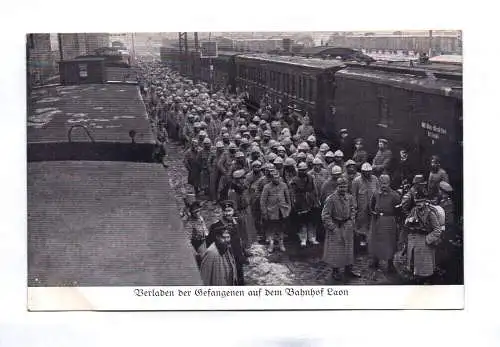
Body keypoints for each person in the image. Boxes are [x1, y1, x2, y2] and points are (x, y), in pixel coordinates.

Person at [321, 177, 360, 282]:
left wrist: (351, 221)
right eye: (340, 186)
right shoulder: (331, 199)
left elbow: (353, 209)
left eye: (345, 186)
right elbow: (325, 215)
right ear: (337, 187)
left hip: (347, 225)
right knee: (336, 250)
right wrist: (332, 227)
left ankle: (348, 268)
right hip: (336, 226)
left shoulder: (350, 197)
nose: (343, 188)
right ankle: (335, 271)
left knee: (348, 248)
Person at [402, 188, 442, 284]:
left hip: (425, 240)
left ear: (425, 201)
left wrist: (428, 240)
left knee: (425, 267)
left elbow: (437, 230)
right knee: (413, 263)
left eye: (421, 202)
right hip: (414, 239)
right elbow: (406, 221)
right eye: (417, 202)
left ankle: (426, 280)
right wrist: (409, 220)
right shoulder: (414, 210)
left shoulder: (430, 213)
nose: (418, 204)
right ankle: (415, 278)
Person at [207, 200, 246, 285]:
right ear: (222, 211)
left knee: (239, 276)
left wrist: (242, 253)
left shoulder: (237, 222)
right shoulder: (216, 226)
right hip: (225, 257)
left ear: (233, 211)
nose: (227, 213)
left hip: (237, 254)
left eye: (229, 211)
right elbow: (209, 243)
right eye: (225, 211)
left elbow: (239, 239)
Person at [368, 174, 401, 272]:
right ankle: (375, 260)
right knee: (376, 241)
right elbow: (371, 206)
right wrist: (374, 213)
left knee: (390, 243)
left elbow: (398, 210)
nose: (383, 186)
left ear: (389, 183)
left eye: (385, 183)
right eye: (382, 183)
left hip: (389, 221)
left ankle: (390, 263)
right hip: (378, 221)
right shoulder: (376, 194)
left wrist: (395, 220)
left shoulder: (395, 195)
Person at [260, 170, 292, 252]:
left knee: (281, 228)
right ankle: (271, 244)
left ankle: (281, 243)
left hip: (282, 210)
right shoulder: (267, 187)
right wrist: (264, 212)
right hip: (271, 211)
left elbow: (288, 198)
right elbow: (263, 201)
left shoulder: (284, 185)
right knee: (271, 228)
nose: (277, 179)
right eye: (274, 178)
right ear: (271, 178)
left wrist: (288, 209)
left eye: (278, 177)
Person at [352, 163, 380, 252]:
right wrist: (355, 205)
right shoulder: (356, 181)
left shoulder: (375, 179)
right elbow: (353, 194)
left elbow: (378, 192)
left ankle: (371, 241)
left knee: (372, 223)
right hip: (361, 206)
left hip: (373, 205)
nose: (367, 173)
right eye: (365, 172)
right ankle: (362, 241)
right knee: (361, 224)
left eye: (369, 172)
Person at [290, 162, 319, 247]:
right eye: (301, 170)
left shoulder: (311, 178)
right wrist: (293, 202)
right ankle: (303, 239)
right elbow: (292, 192)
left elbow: (314, 189)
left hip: (310, 200)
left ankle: (312, 238)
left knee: (311, 221)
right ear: (298, 170)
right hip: (300, 201)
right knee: (302, 222)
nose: (303, 172)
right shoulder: (294, 180)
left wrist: (316, 199)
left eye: (304, 170)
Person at [228, 169, 258, 250]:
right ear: (238, 179)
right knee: (242, 232)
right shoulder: (233, 191)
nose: (244, 180)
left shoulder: (242, 187)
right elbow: (234, 205)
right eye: (242, 178)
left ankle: (247, 246)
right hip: (240, 213)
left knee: (248, 230)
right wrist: (237, 215)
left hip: (246, 210)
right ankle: (243, 249)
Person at [184, 200, 209, 268]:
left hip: (203, 242)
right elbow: (187, 240)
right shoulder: (189, 223)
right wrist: (194, 253)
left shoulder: (200, 218)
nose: (198, 213)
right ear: (192, 213)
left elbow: (204, 229)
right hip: (196, 244)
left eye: (199, 211)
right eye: (195, 212)